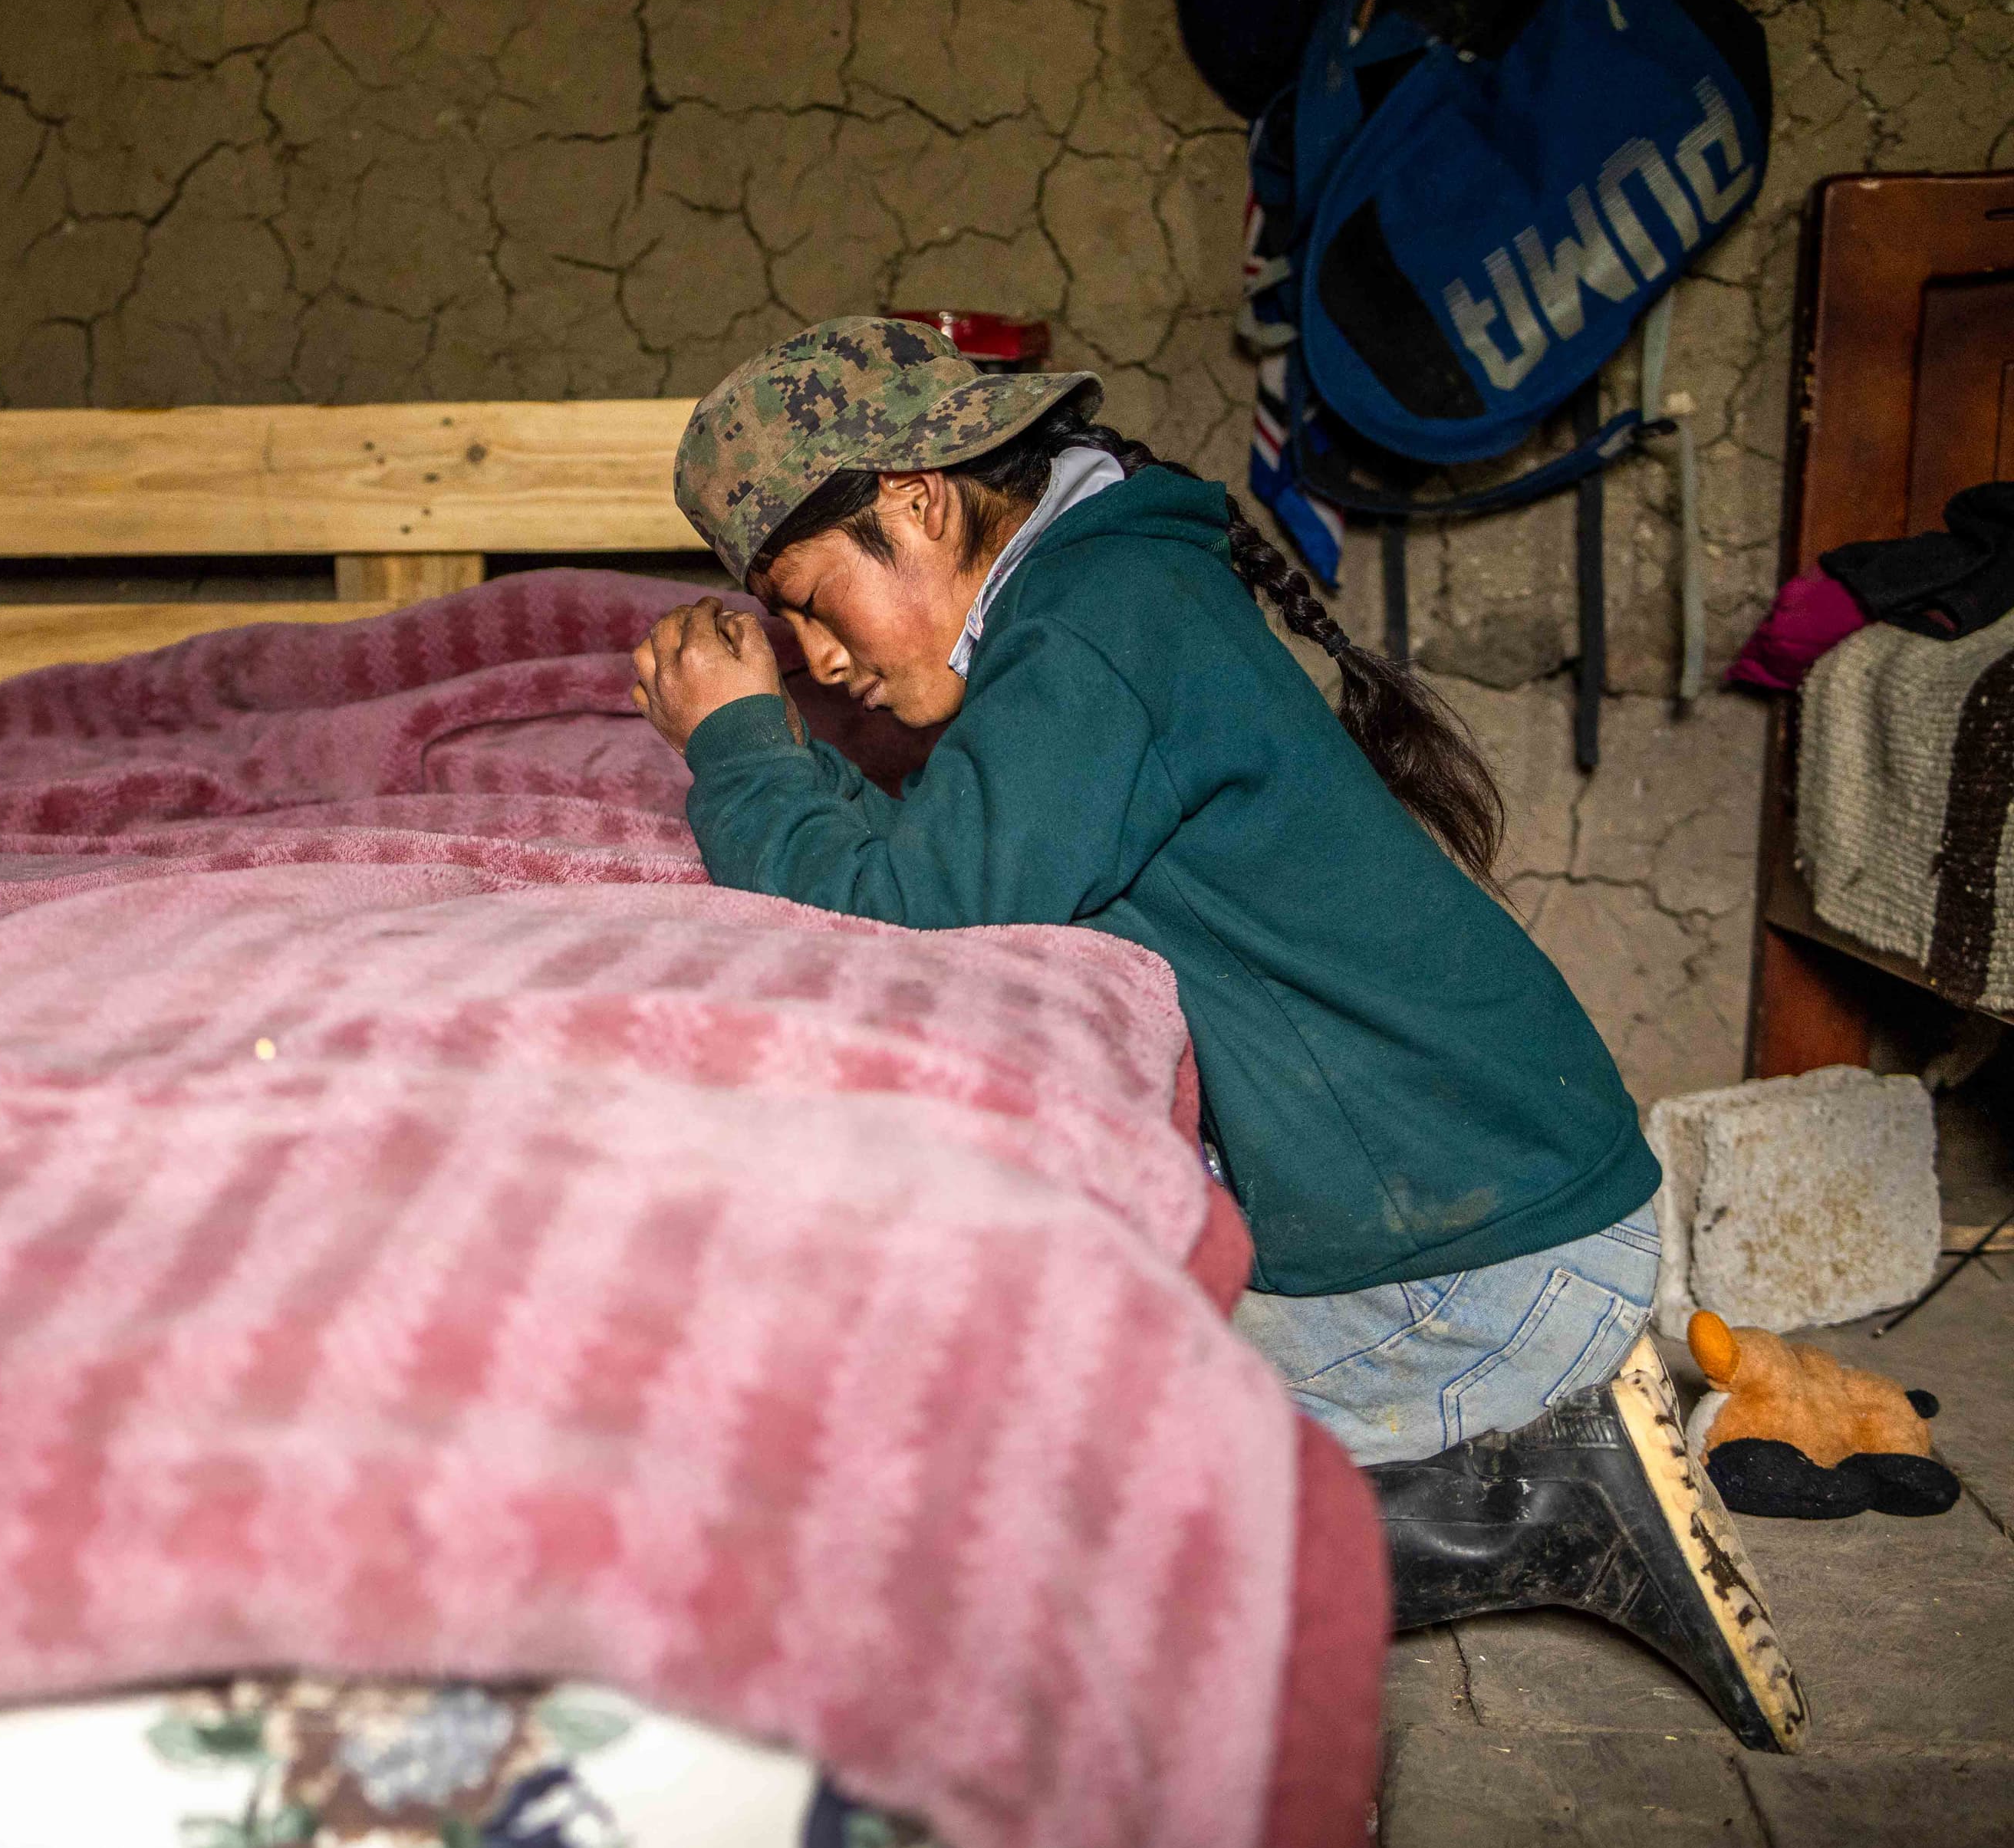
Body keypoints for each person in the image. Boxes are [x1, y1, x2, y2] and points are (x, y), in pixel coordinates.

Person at [639, 316, 1803, 1752]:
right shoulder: (1106, 596)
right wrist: (791, 757)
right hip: (1497, 1203)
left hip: (1477, 1264)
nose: (814, 661)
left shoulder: (1099, 631)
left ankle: (1540, 1505)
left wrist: (740, 746)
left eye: (816, 601)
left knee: (1002, 1504)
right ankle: (1523, 1440)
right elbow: (957, 867)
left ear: (919, 501)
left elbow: (893, 917)